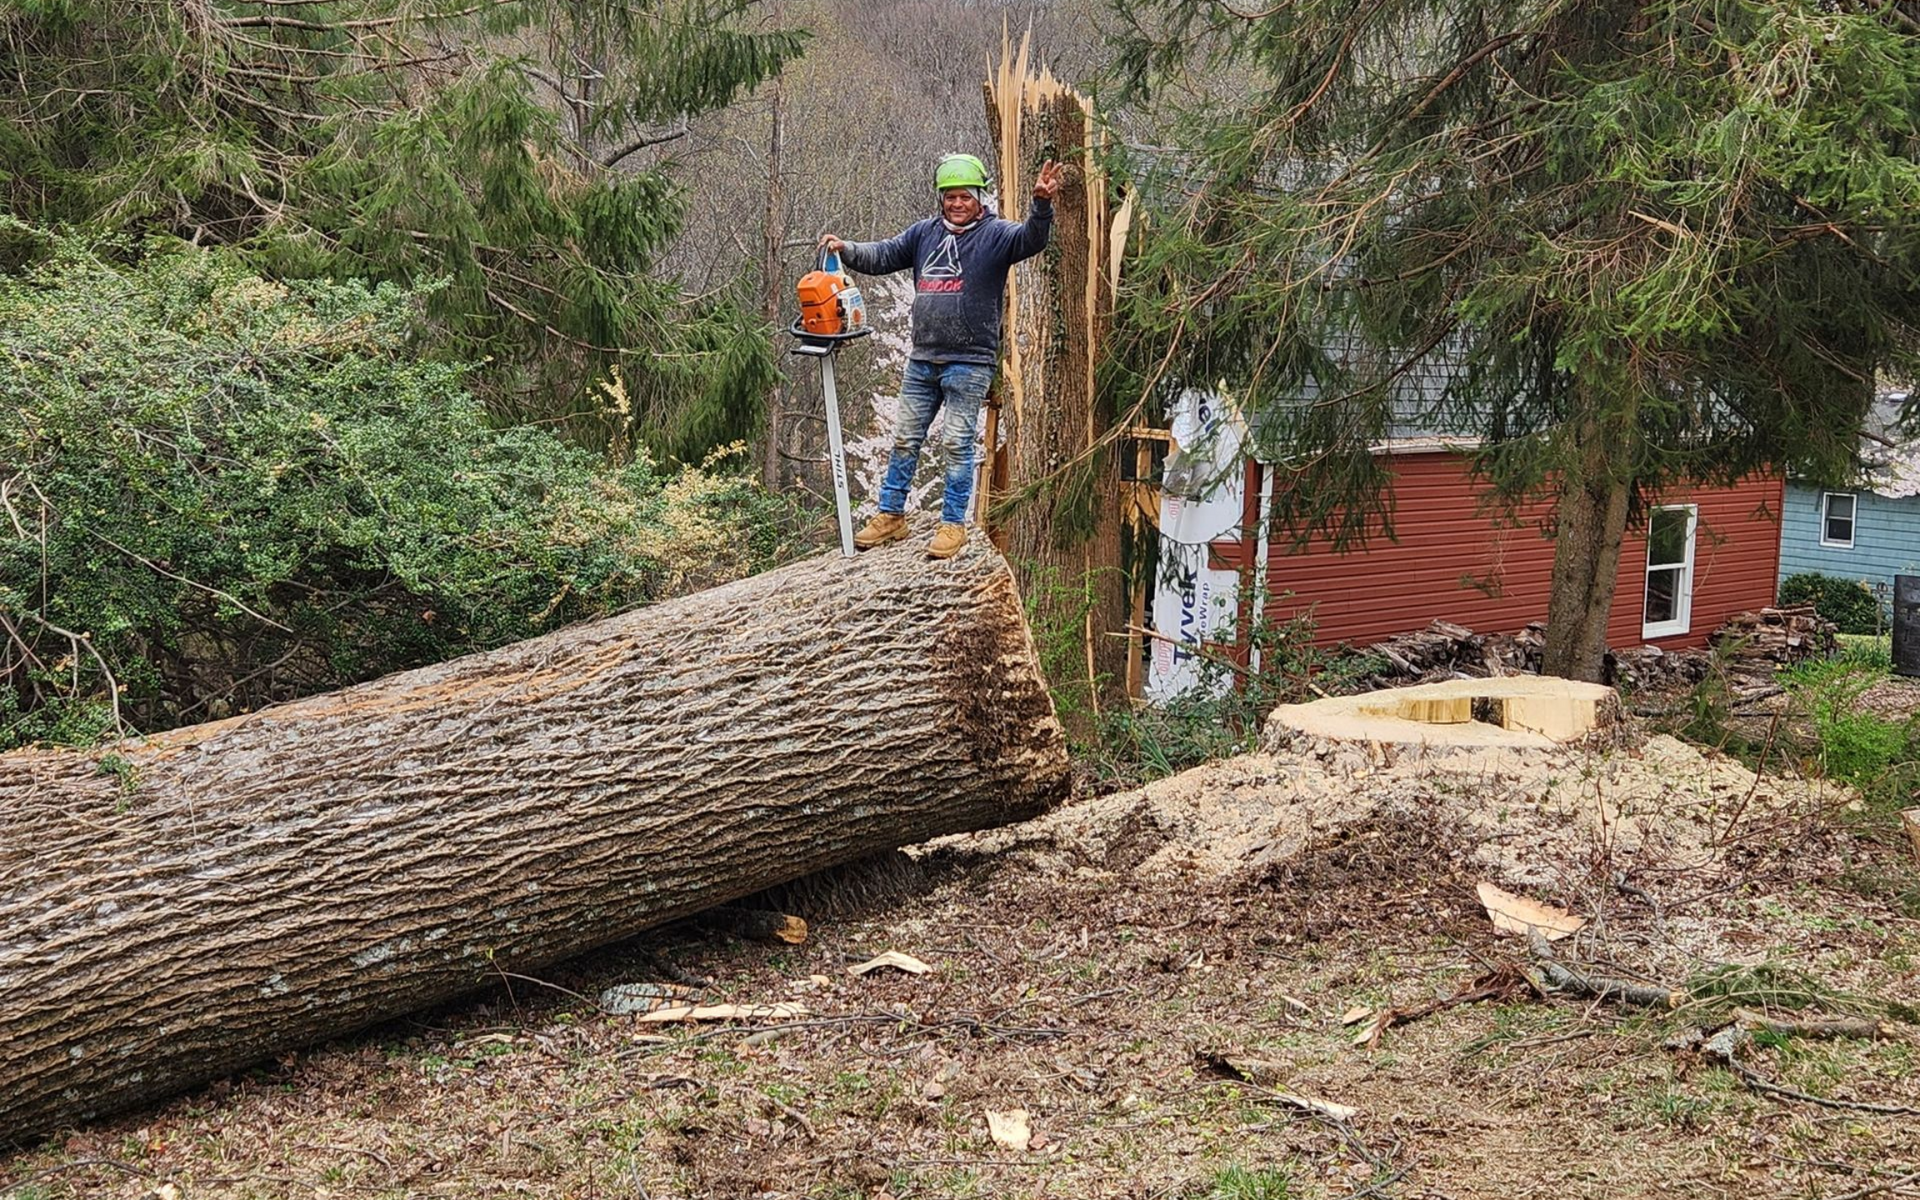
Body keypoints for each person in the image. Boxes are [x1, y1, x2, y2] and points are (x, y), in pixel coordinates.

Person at [820, 152, 1064, 559]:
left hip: (969, 361)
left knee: (956, 442)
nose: (956, 203)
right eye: (949, 196)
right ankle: (891, 515)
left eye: (964, 197)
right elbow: (882, 255)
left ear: (979, 198)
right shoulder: (923, 234)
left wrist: (1041, 205)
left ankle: (953, 524)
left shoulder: (996, 234)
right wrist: (846, 249)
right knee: (904, 438)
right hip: (923, 358)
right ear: (940, 198)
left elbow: (1031, 240)